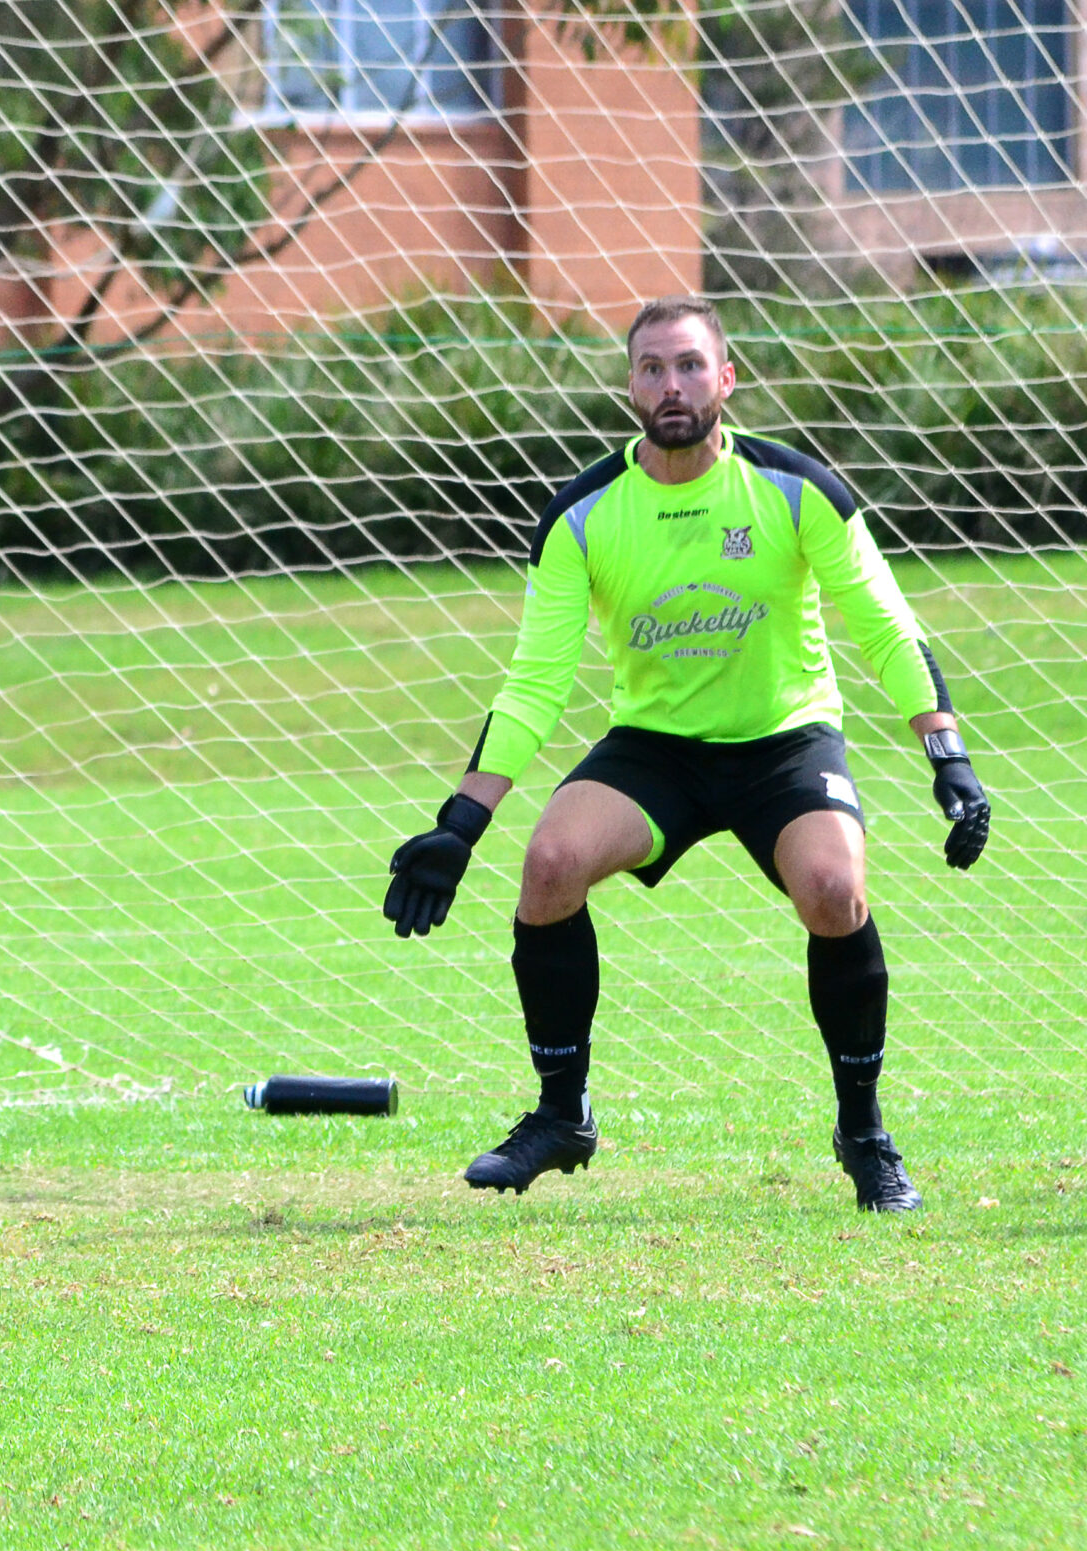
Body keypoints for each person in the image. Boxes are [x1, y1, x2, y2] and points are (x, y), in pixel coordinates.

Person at [382, 294, 990, 1214]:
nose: (674, 385)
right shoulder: (584, 516)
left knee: (835, 892)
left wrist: (947, 755)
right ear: (630, 386)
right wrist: (460, 826)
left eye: (691, 365)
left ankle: (863, 1132)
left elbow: (885, 626)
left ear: (727, 379)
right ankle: (562, 1115)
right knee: (549, 864)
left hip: (785, 742)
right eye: (654, 368)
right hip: (656, 749)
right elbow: (536, 682)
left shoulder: (796, 489)